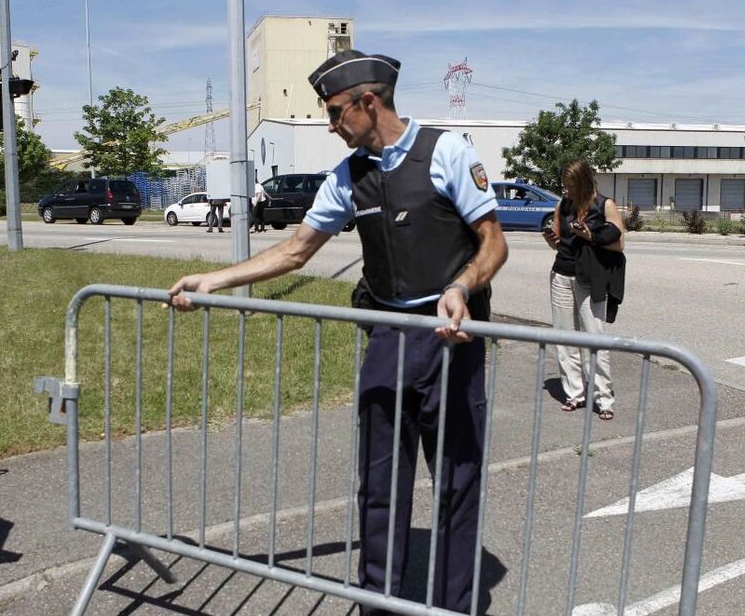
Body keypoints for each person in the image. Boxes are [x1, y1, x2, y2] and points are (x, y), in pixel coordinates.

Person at [167, 49, 508, 614]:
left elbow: (493, 240)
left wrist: (463, 287)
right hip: (387, 336)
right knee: (379, 489)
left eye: (333, 113)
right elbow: (298, 248)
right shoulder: (349, 175)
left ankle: (454, 605)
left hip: (451, 338)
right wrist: (216, 280)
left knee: (456, 483)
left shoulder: (445, 151)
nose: (330, 126)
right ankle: (378, 604)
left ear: (367, 102)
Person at [542, 159, 625, 420]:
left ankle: (603, 398)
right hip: (562, 273)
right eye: (565, 186)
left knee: (594, 336)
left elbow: (619, 244)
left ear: (584, 182)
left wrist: (590, 236)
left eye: (571, 186)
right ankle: (574, 393)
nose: (567, 191)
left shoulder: (604, 205)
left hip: (591, 278)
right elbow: (561, 242)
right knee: (565, 337)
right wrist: (552, 239)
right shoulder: (563, 205)